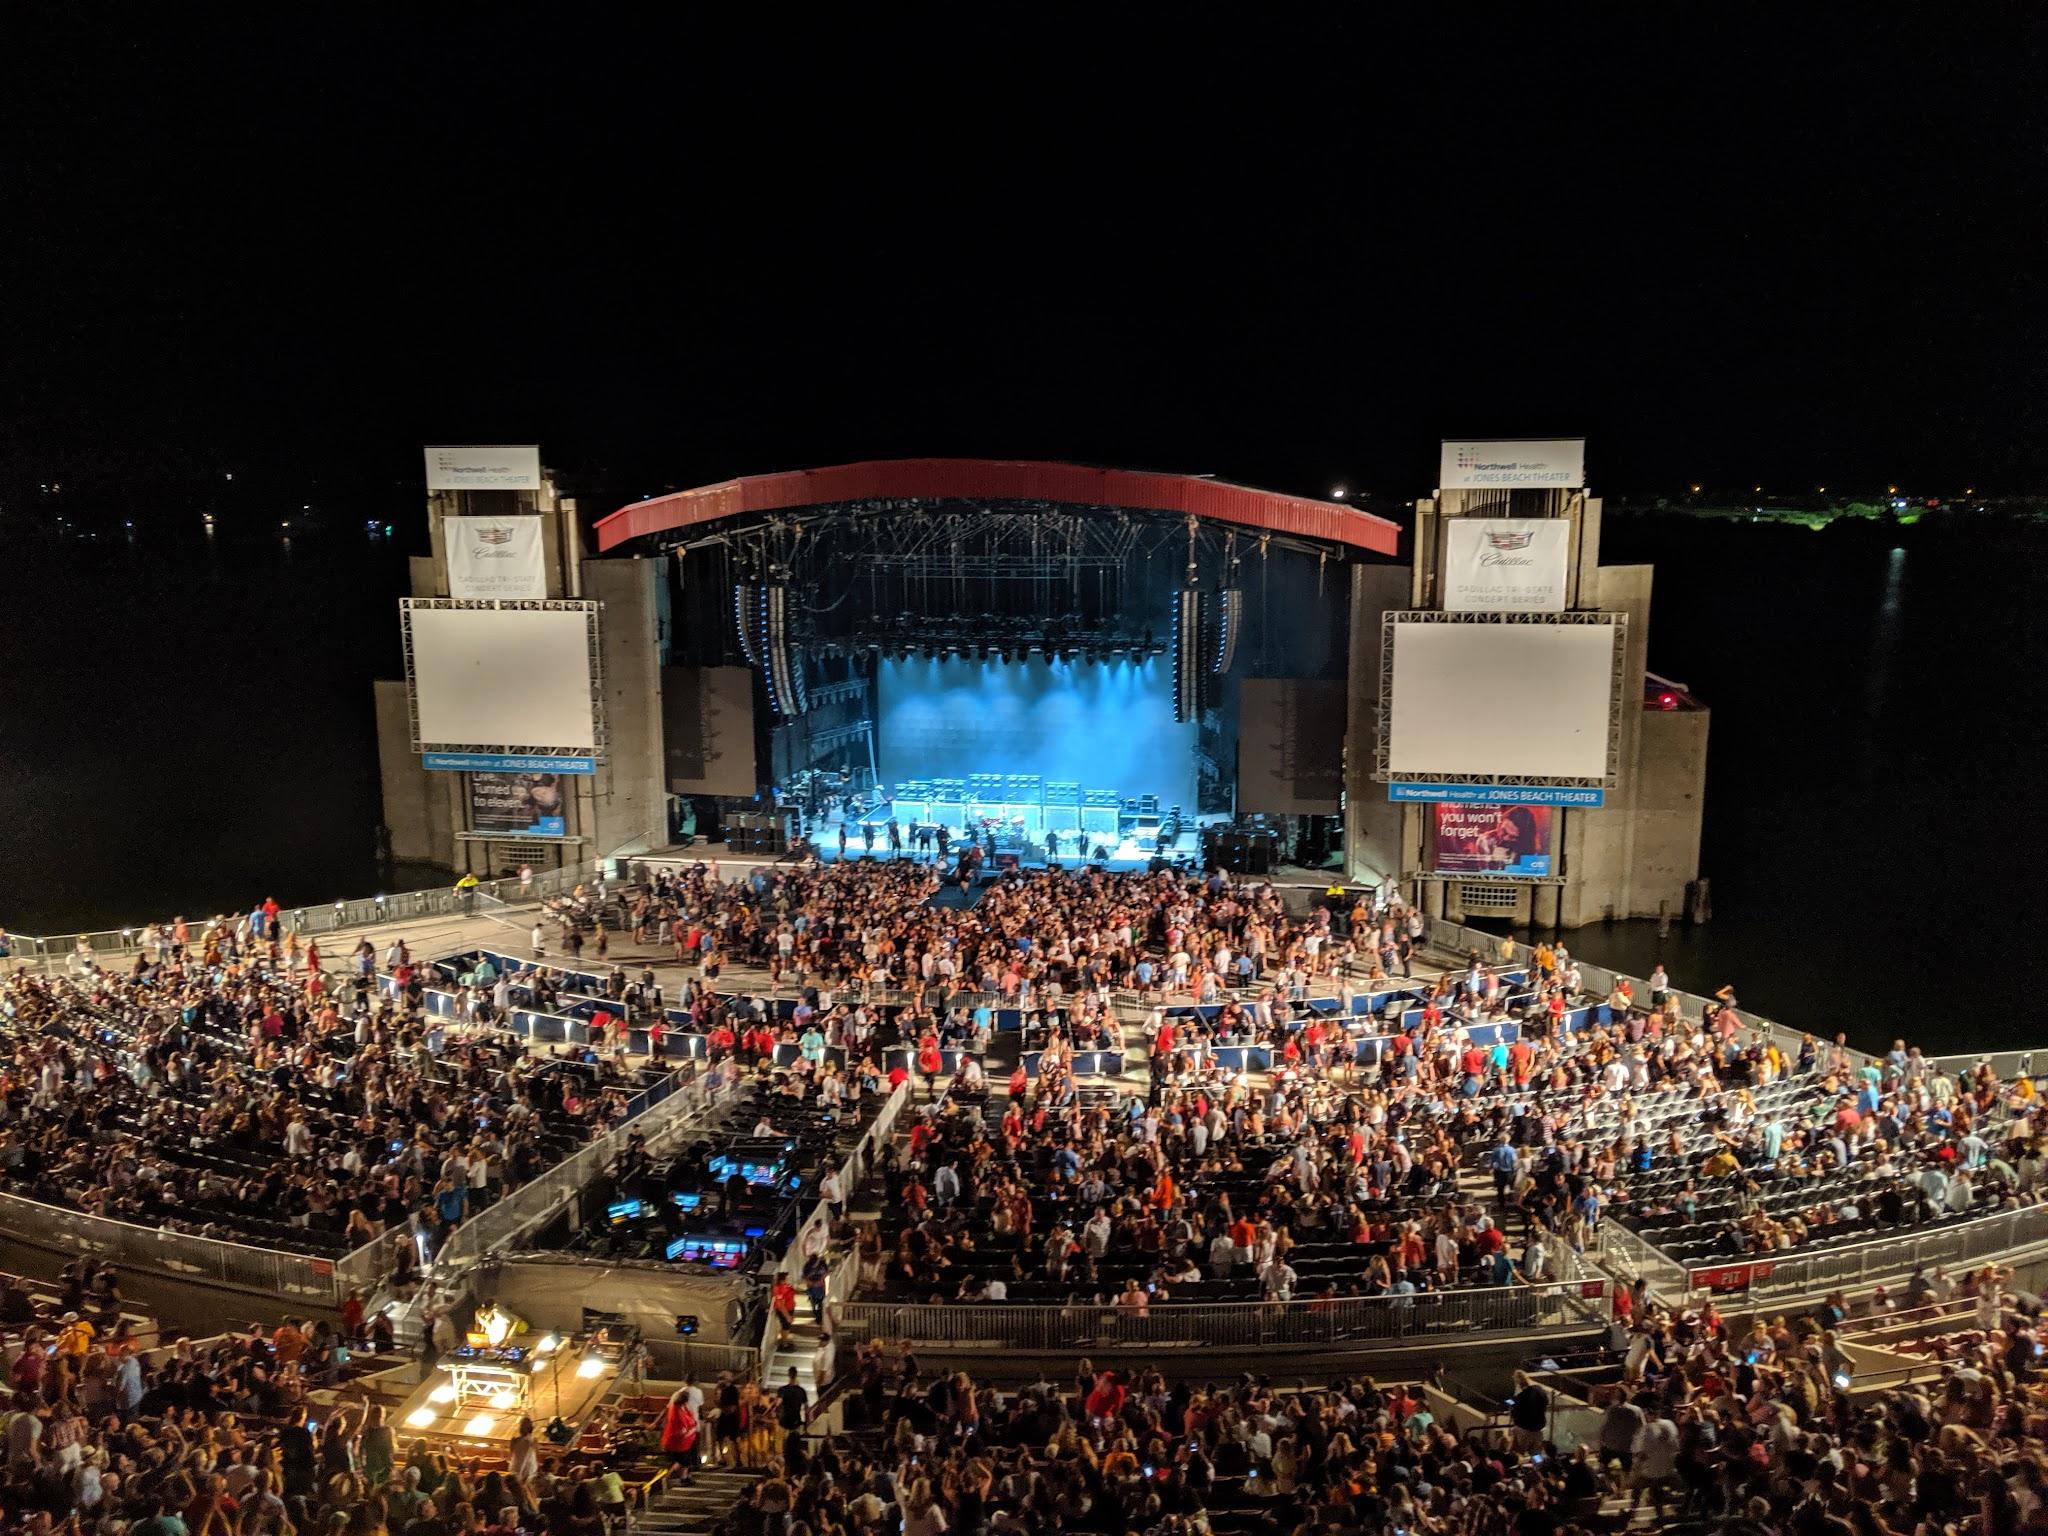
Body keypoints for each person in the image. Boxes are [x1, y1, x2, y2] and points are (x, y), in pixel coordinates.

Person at [659, 1388, 699, 1484]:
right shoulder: (677, 1413)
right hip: (679, 1443)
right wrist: (693, 1429)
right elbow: (682, 1432)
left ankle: (683, 1477)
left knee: (682, 1461)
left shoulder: (678, 1406)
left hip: (683, 1442)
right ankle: (674, 1478)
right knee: (683, 1462)